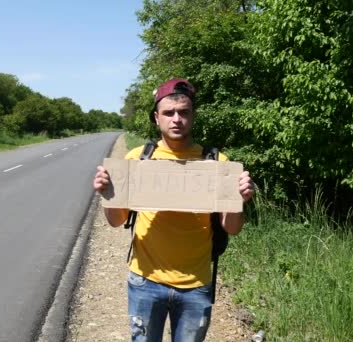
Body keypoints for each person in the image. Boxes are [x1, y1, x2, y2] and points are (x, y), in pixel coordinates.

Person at [92, 78, 255, 342]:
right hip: (145, 281)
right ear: (157, 118)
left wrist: (239, 199)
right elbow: (116, 221)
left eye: (184, 112)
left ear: (193, 116)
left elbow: (232, 228)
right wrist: (107, 195)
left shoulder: (216, 163)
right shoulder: (137, 160)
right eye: (169, 113)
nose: (176, 119)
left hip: (196, 284)